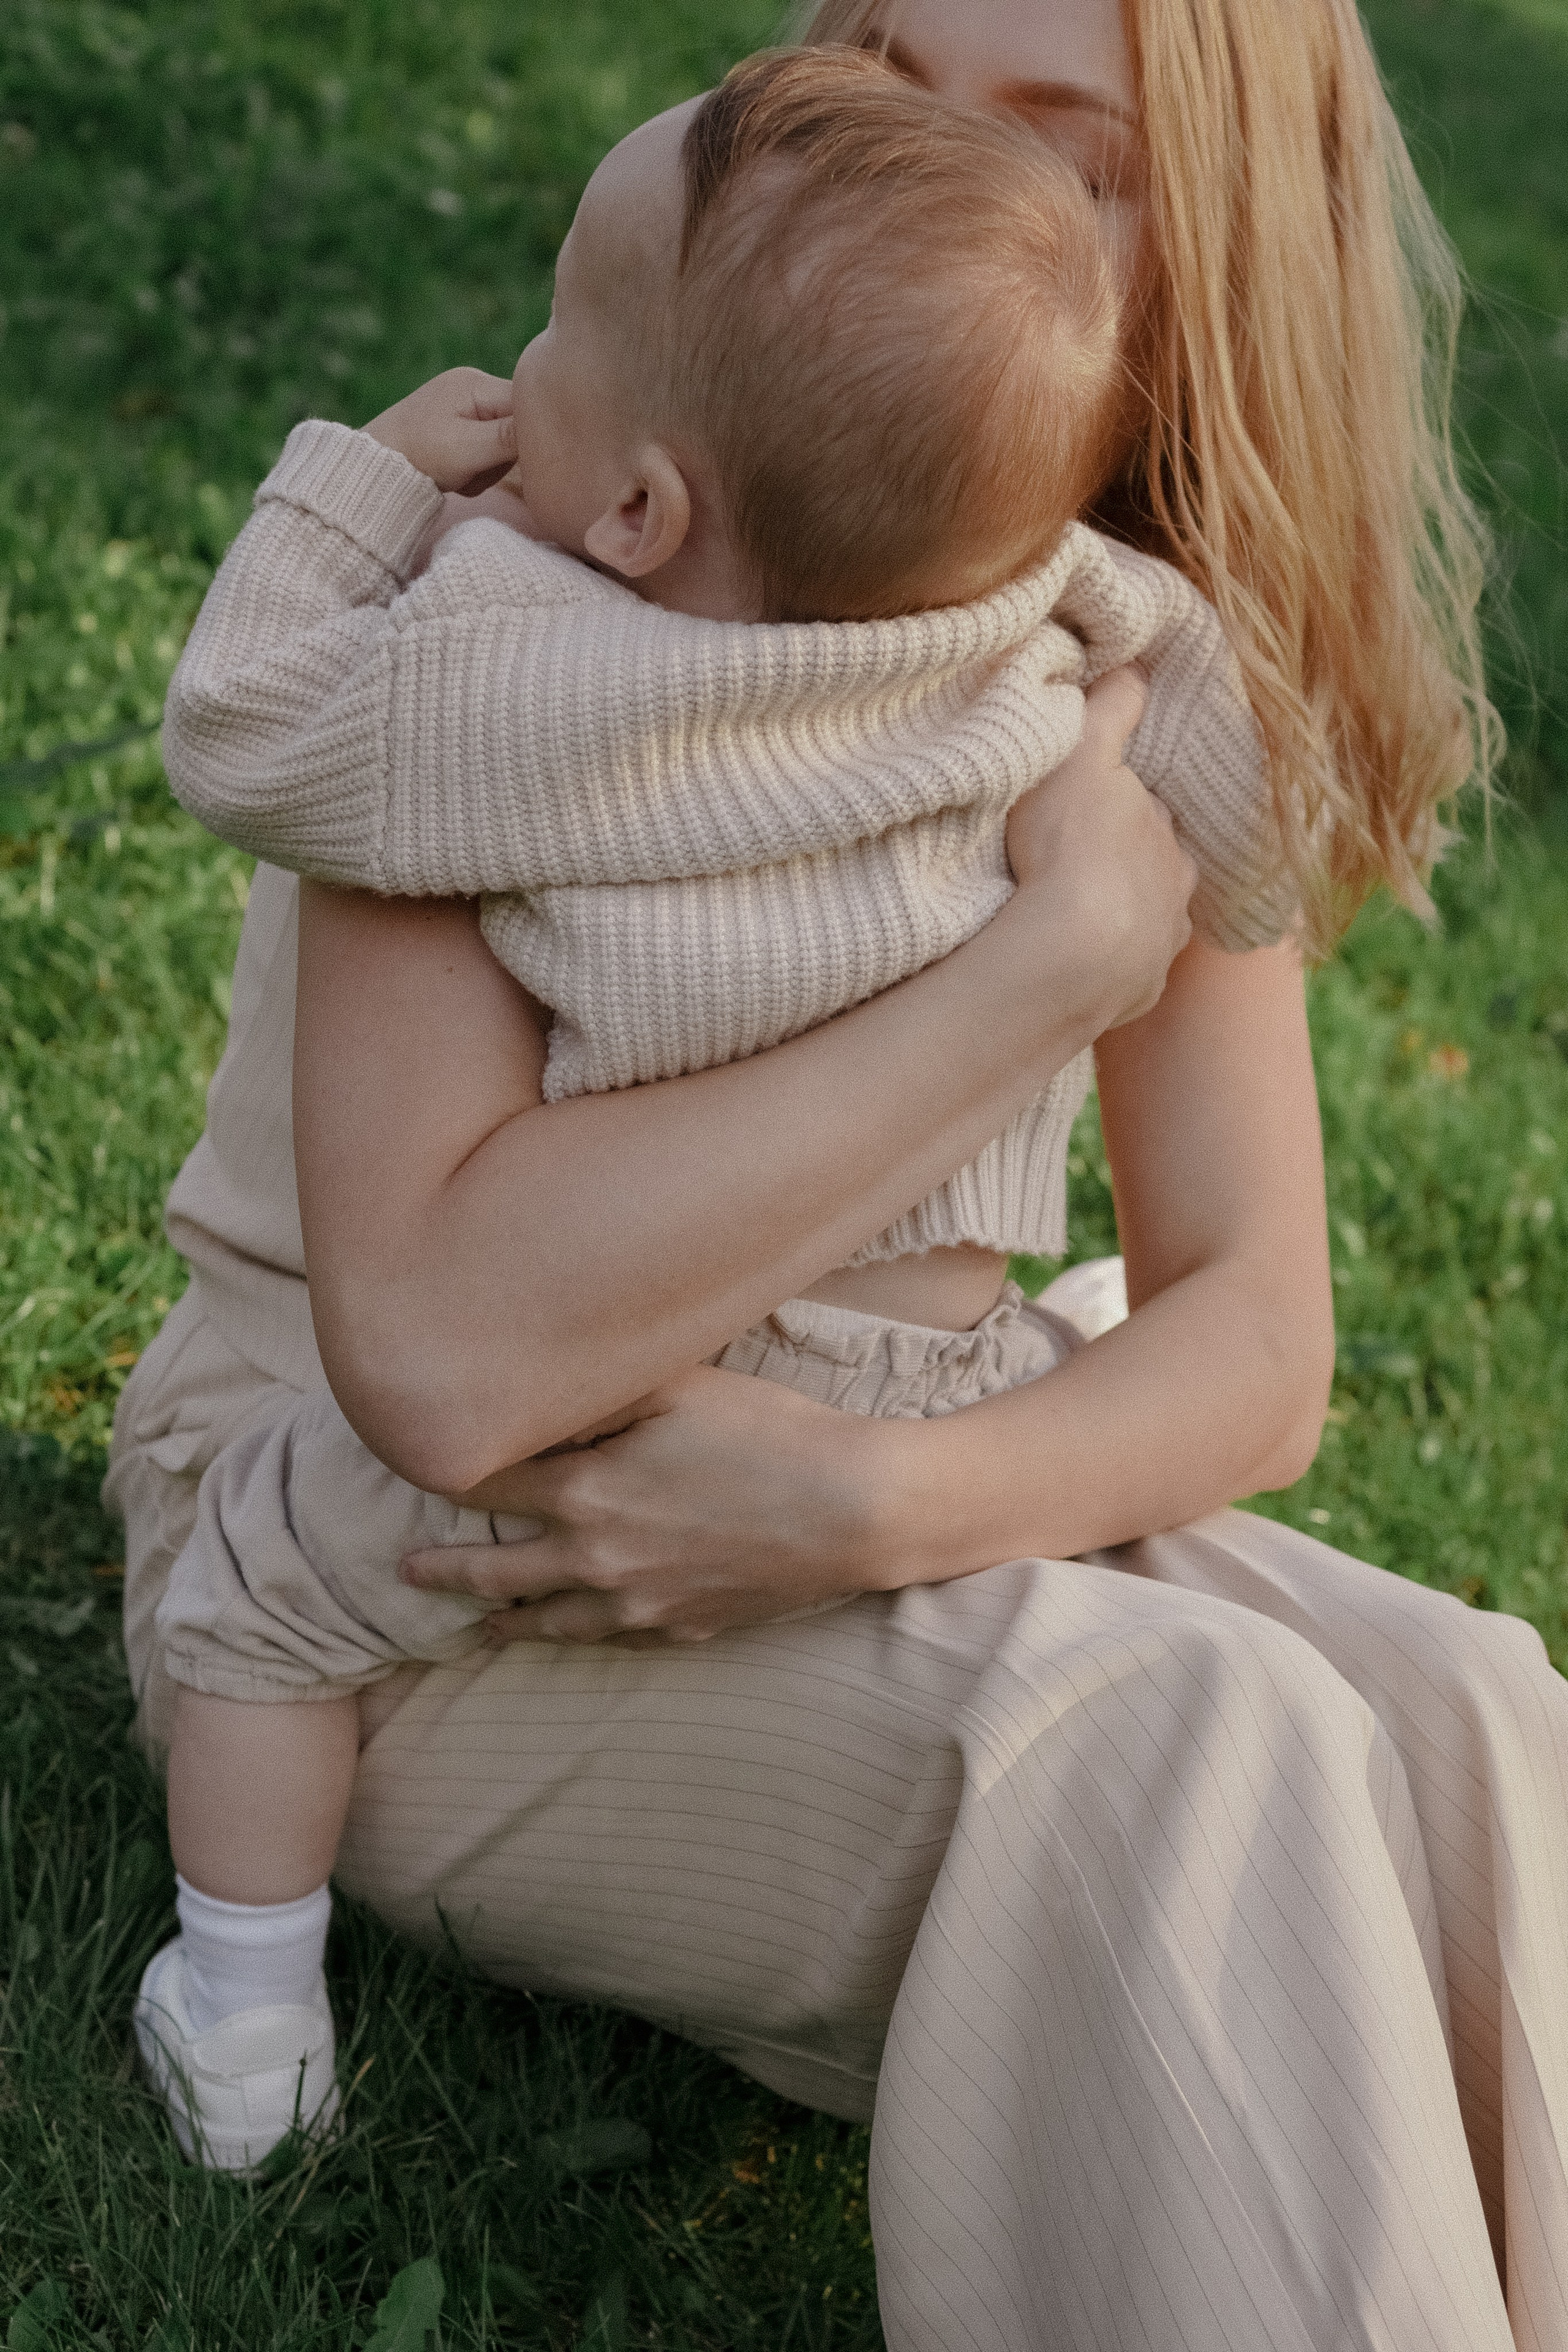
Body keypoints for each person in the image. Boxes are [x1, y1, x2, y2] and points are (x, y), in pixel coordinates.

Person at [104, 0, 1568, 2345]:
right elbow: (450, 1363)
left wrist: (867, 1510)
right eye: (901, 98)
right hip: (375, 1577)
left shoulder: (1096, 650)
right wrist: (1047, 966)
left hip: (817, 1467)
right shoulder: (545, 596)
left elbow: (1256, 1345)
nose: (956, 197)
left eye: (1070, 163)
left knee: (1479, 1715)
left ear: (1211, 274)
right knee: (1203, 1736)